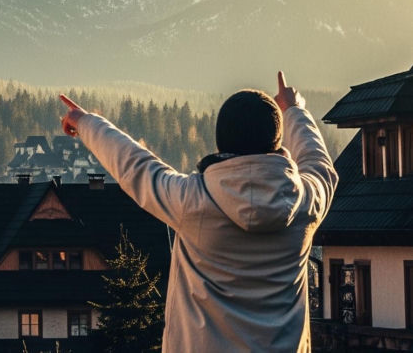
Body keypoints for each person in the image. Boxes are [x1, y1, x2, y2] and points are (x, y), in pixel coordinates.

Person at [60, 71, 337, 353]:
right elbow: (318, 163)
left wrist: (86, 122)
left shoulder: (192, 201)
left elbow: (135, 165)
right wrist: (293, 110)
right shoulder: (306, 203)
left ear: (220, 144)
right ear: (276, 143)